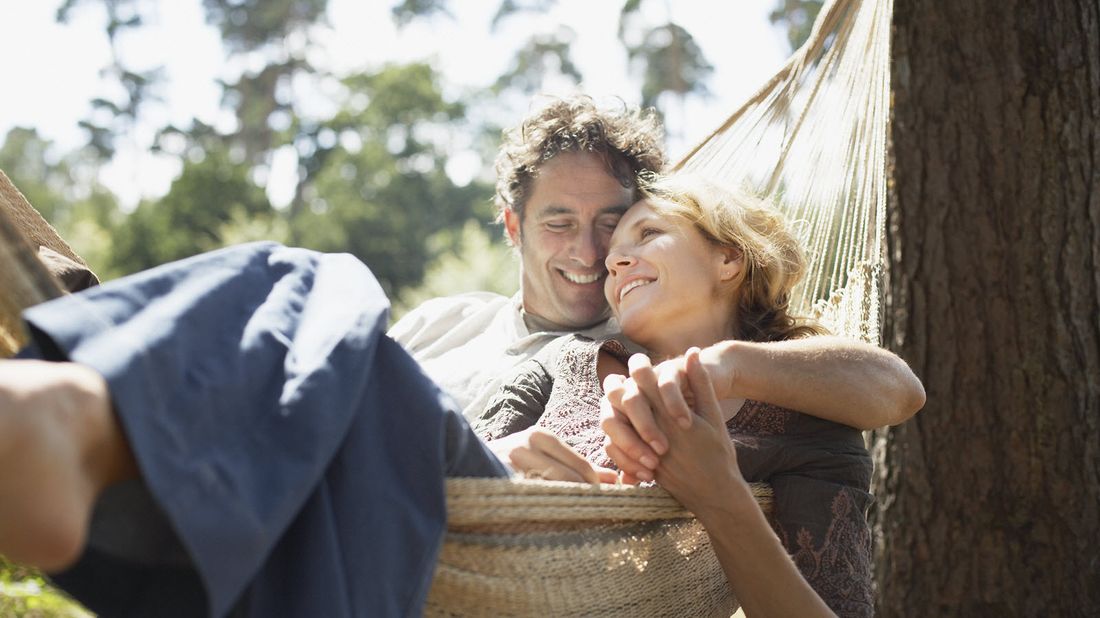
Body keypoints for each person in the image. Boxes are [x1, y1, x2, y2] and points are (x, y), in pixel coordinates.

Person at [475, 173, 894, 616]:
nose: (614, 262)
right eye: (614, 257)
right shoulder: (563, 360)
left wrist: (719, 496)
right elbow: (442, 487)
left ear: (728, 260)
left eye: (649, 234)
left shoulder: (805, 431)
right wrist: (495, 456)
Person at [389, 95, 924, 434]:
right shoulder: (440, 322)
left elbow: (890, 389)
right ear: (512, 227)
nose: (593, 253)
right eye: (558, 224)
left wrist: (727, 364)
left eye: (611, 223)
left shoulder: (645, 347)